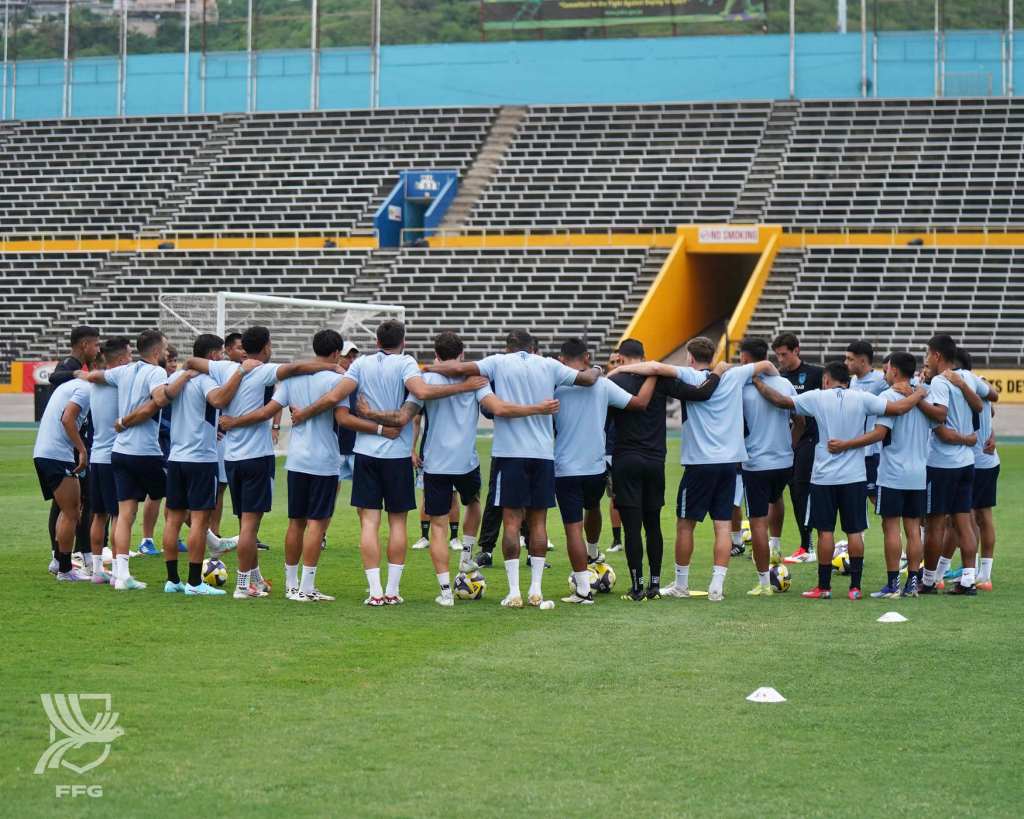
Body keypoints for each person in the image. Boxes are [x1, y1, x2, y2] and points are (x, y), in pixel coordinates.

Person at [286, 319, 488, 606]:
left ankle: (375, 591)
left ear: (377, 342)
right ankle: (392, 591)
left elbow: (334, 396)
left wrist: (304, 413)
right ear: (402, 342)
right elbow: (424, 392)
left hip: (366, 453)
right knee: (397, 523)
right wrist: (465, 386)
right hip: (396, 454)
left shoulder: (360, 365)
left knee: (369, 522)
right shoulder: (406, 363)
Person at [357, 330, 559, 606]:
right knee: (474, 502)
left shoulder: (425, 380)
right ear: (461, 355)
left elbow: (404, 416)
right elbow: (493, 408)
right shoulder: (476, 381)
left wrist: (370, 414)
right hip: (467, 460)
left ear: (437, 356)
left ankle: (445, 592)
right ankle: (466, 558)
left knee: (438, 525)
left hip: (436, 463)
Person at [425, 328, 599, 608]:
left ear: (508, 347)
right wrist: (600, 367)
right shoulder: (550, 364)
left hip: (509, 454)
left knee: (512, 522)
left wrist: (429, 366)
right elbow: (588, 378)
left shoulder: (496, 362)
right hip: (542, 454)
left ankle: (515, 591)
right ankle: (537, 590)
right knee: (539, 522)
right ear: (532, 347)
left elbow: (457, 369)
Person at [616, 336, 778, 601]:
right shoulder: (735, 375)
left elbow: (654, 368)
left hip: (700, 463)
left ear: (690, 357)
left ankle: (681, 584)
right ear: (713, 356)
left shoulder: (689, 375)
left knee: (685, 525)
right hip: (729, 463)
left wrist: (621, 369)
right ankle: (717, 585)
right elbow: (765, 365)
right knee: (723, 526)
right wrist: (774, 373)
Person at [189, 325, 342, 599]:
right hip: (257, 457)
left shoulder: (224, 368)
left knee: (245, 524)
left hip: (232, 458)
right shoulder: (264, 370)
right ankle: (242, 585)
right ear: (267, 346)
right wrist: (332, 368)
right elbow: (294, 369)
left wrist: (222, 369)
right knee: (250, 527)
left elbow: (191, 361)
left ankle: (255, 581)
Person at [753, 361, 925, 599]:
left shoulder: (817, 397)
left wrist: (757, 382)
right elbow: (897, 409)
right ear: (847, 379)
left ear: (826, 380)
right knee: (854, 532)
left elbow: (781, 401)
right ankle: (855, 588)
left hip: (824, 476)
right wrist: (919, 394)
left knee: (825, 532)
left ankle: (824, 588)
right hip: (855, 476)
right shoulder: (862, 397)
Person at [606, 338, 722, 601]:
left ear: (621, 358)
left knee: (632, 528)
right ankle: (655, 586)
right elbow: (701, 393)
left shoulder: (614, 381)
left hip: (626, 459)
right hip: (655, 460)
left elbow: (603, 423)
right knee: (653, 525)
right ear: (644, 356)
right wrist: (717, 371)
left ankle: (637, 587)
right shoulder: (660, 379)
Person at [76, 329, 187, 590]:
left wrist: (79, 374)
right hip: (145, 451)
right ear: (158, 352)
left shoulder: (124, 371)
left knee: (124, 514)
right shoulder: (156, 372)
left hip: (120, 452)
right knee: (177, 499)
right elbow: (159, 399)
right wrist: (179, 384)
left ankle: (121, 575)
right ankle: (205, 542)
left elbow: (95, 375)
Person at [552, 337, 655, 604]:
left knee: (572, 529)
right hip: (596, 466)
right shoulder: (603, 384)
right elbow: (640, 403)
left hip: (565, 466)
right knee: (594, 507)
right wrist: (654, 373)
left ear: (562, 360)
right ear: (587, 357)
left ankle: (583, 590)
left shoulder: (555, 386)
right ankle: (594, 552)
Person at [825, 352, 934, 598]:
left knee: (891, 527)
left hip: (893, 473)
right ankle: (913, 584)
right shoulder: (922, 397)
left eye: (886, 369)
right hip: (918, 472)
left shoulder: (889, 396)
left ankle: (893, 584)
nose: (884, 373)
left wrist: (846, 444)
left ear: (895, 371)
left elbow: (879, 434)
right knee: (914, 529)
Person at [160, 334, 256, 596]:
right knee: (201, 521)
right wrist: (239, 374)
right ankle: (194, 583)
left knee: (173, 520)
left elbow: (163, 399)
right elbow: (218, 400)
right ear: (213, 355)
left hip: (177, 456)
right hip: (200, 458)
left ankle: (172, 580)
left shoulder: (176, 378)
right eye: (221, 354)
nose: (223, 358)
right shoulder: (205, 379)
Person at [914, 335, 991, 595]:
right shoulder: (967, 378)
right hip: (967, 462)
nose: (926, 360)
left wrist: (917, 399)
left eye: (927, 355)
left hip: (942, 463)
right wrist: (971, 438)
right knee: (963, 521)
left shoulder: (938, 381)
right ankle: (969, 579)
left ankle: (928, 579)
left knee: (935, 523)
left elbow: (941, 420)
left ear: (936, 356)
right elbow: (984, 402)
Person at [737, 339, 797, 596]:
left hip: (757, 463)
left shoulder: (742, 388)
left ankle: (764, 583)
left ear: (747, 360)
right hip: (784, 460)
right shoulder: (784, 383)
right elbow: (800, 419)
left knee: (757, 521)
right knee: (777, 497)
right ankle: (776, 545)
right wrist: (790, 446)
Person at [46, 325, 100, 574]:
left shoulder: (79, 372)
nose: (97, 349)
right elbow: (54, 378)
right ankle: (62, 558)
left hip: (62, 444)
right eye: (95, 344)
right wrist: (78, 373)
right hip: (62, 445)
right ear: (85, 345)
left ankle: (68, 555)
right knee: (67, 506)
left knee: (74, 503)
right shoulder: (68, 367)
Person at [33, 376, 93, 582]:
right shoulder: (86, 389)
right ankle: (66, 570)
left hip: (45, 452)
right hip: (57, 455)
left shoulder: (73, 385)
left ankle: (59, 561)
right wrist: (82, 449)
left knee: (66, 510)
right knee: (72, 512)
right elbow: (67, 418)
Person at [773, 333, 824, 565]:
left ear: (796, 350)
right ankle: (805, 543)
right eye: (777, 355)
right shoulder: (780, 378)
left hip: (810, 440)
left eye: (784, 354)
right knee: (792, 492)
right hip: (786, 441)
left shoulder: (815, 373)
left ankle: (809, 545)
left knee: (801, 489)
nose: (781, 359)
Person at [85, 337, 133, 585]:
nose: (132, 357)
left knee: (99, 515)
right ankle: (117, 570)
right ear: (122, 358)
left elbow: (92, 375)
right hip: (115, 454)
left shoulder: (97, 380)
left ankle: (96, 570)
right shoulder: (121, 377)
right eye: (129, 353)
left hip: (97, 455)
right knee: (119, 516)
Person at [138, 345, 181, 556]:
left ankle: (172, 537)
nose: (173, 364)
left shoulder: (177, 382)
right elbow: (159, 416)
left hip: (176, 445)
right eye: (170, 360)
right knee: (155, 494)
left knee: (174, 493)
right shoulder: (158, 383)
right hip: (160, 445)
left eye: (175, 360)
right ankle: (147, 539)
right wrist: (175, 430)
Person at [845, 340, 887, 506]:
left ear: (862, 360)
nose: (846, 363)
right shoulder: (851, 381)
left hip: (873, 450)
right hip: (854, 449)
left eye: (850, 359)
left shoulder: (881, 381)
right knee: (855, 497)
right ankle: (859, 533)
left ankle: (893, 532)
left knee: (876, 498)